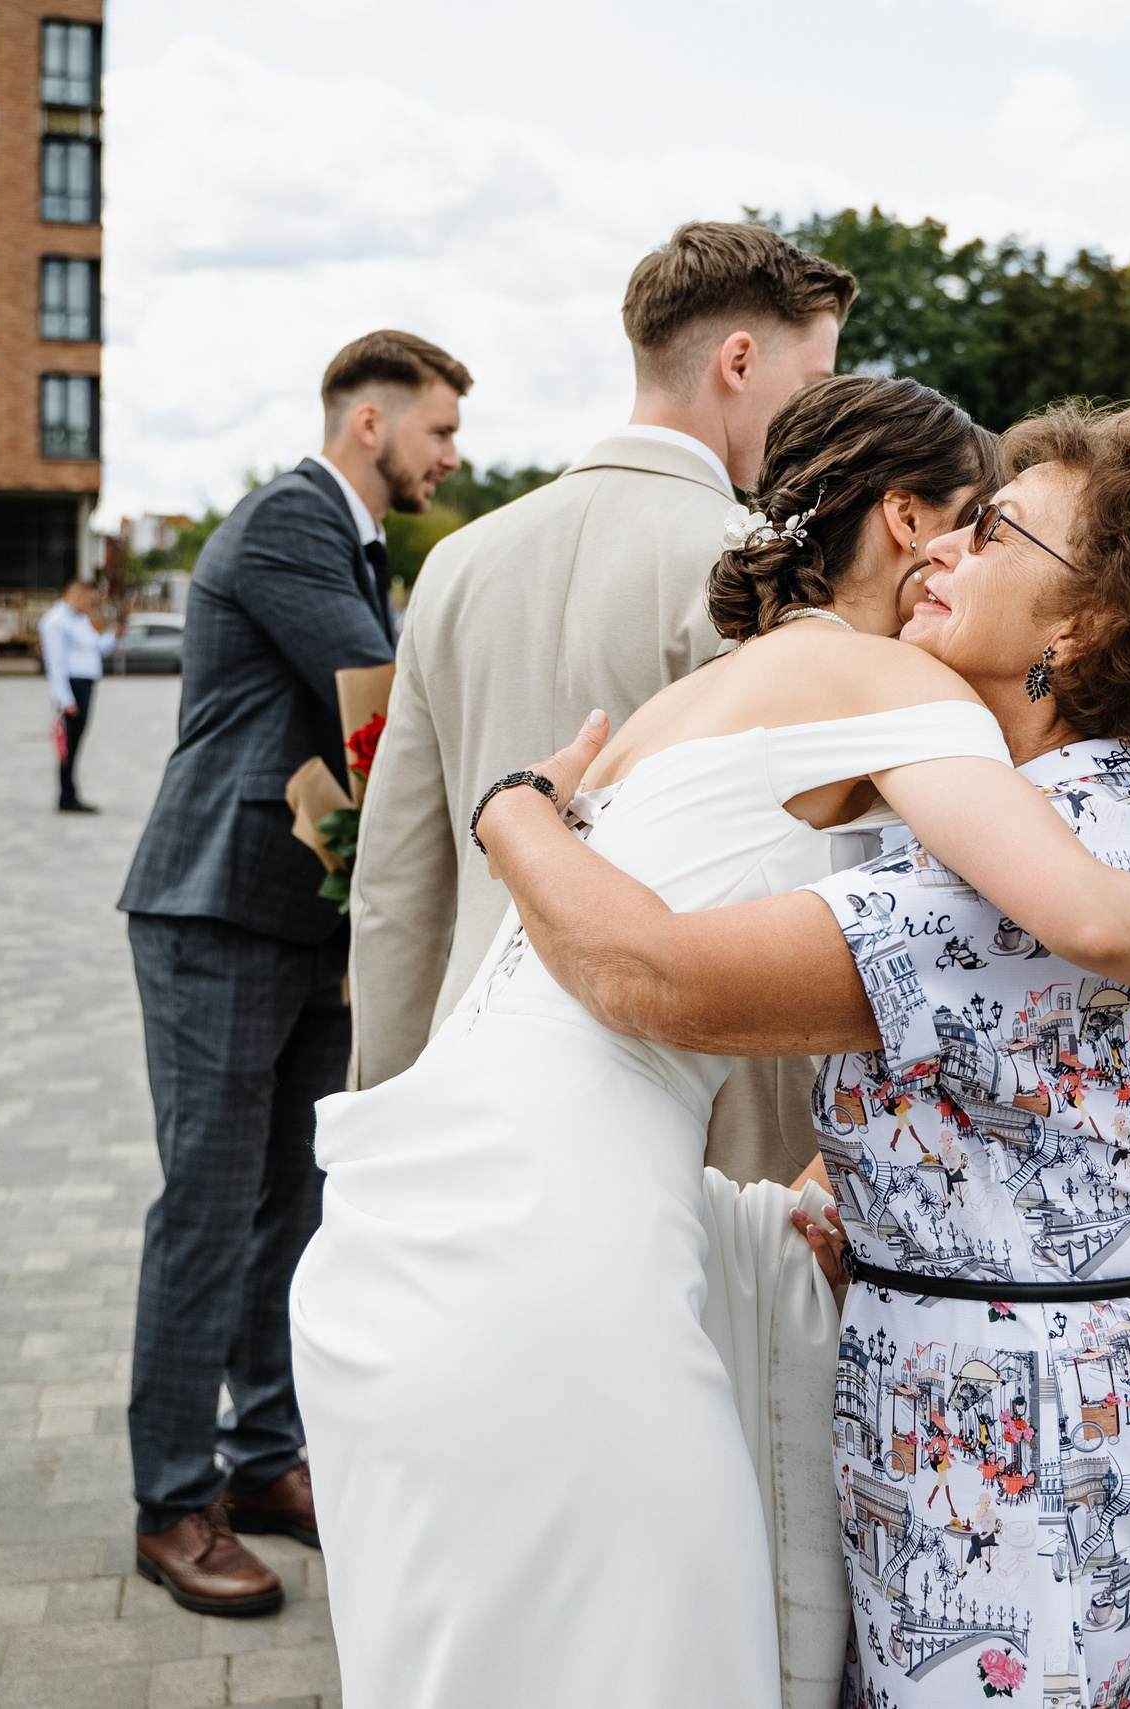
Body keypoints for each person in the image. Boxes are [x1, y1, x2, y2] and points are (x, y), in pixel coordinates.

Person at [304, 392, 1130, 1709]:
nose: (947, 549)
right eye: (959, 519)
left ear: (1085, 624)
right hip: (1092, 1392)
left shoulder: (964, 874)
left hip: (1004, 1431)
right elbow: (1026, 1081)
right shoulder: (1084, 811)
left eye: (994, 533)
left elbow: (657, 969)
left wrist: (512, 819)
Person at [348, 219, 855, 1189]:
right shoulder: (757, 567)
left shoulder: (458, 562)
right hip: (682, 1116)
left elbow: (397, 879)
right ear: (738, 361)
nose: (817, 409)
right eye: (814, 377)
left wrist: (387, 1096)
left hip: (470, 1077)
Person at [115, 330, 466, 1619]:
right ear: (368, 424)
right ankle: (171, 1499)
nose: (451, 455)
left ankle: (263, 1458)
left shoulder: (356, 541)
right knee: (207, 1208)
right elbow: (377, 700)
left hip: (306, 920)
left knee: (293, 1206)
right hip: (215, 907)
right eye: (437, 431)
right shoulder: (287, 522)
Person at [38, 578, 118, 811]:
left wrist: (115, 635)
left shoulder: (81, 620)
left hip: (85, 685)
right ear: (78, 594)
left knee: (76, 744)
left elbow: (98, 648)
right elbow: (56, 664)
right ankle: (66, 797)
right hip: (72, 687)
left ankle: (71, 792)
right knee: (68, 745)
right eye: (91, 600)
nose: (92, 605)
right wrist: (64, 699)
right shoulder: (56, 621)